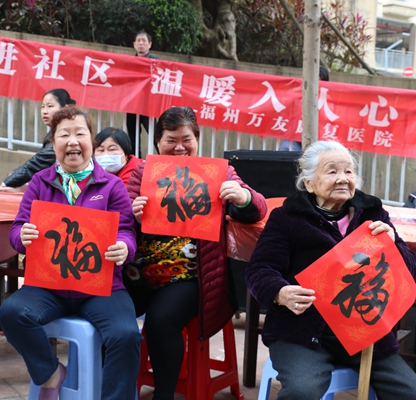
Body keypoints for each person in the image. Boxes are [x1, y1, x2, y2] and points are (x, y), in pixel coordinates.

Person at [246, 140, 416, 400]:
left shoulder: (372, 214)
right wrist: (280, 293)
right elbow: (260, 269)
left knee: (410, 391)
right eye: (332, 171)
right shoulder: (288, 218)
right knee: (302, 392)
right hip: (304, 330)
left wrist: (395, 246)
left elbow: (410, 273)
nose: (343, 179)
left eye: (348, 171)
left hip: (364, 331)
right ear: (309, 183)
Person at [0, 106, 141, 400]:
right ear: (53, 143)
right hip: (48, 286)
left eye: (80, 133)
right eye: (64, 135)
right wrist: (22, 236)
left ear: (91, 141)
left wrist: (124, 247)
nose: (72, 141)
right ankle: (50, 373)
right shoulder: (39, 182)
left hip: (102, 288)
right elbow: (17, 229)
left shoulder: (112, 185)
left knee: (126, 335)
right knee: (11, 313)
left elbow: (126, 230)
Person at [126, 106, 267, 400]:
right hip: (139, 273)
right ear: (158, 141)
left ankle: (163, 396)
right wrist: (133, 214)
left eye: (186, 139)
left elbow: (258, 208)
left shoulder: (217, 173)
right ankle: (112, 387)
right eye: (171, 139)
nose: (179, 147)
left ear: (197, 140)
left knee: (161, 320)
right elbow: (121, 220)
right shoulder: (144, 172)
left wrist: (243, 197)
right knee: (107, 311)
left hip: (192, 277)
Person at [0, 88, 76, 192]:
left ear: (65, 109)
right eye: (43, 107)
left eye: (50, 106)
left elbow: (36, 164)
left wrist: (6, 183)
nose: (44, 111)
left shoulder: (66, 133)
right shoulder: (54, 131)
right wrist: (15, 175)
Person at [279, 65, 330, 152]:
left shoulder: (328, 99)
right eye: (313, 82)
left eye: (319, 83)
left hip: (318, 141)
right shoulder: (297, 93)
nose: (315, 87)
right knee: (285, 150)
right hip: (295, 137)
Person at [126, 30, 160, 158]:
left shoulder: (157, 62)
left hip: (148, 106)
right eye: (138, 40)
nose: (141, 43)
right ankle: (135, 163)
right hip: (131, 105)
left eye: (144, 40)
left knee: (156, 136)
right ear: (134, 44)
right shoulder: (128, 62)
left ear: (150, 44)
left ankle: (166, 158)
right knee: (133, 138)